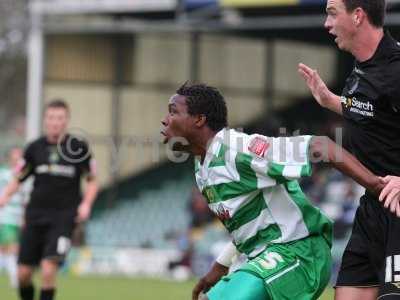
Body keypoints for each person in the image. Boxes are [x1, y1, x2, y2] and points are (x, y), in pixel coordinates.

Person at [161, 82, 384, 300]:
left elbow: (320, 146)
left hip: (298, 252)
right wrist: (220, 266)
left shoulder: (235, 149)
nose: (165, 120)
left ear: (199, 119)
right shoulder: (202, 167)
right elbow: (247, 226)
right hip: (263, 258)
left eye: (173, 112)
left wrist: (376, 185)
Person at [298, 0, 400, 298]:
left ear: (357, 16)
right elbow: (374, 110)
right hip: (372, 209)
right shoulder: (362, 68)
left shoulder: (396, 71)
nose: (326, 24)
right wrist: (332, 101)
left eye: (332, 14)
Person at [0, 99, 98, 300]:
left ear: (67, 120)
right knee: (23, 275)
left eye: (60, 118)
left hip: (63, 218)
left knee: (48, 269)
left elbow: (92, 181)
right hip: (35, 216)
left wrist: (86, 204)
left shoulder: (78, 148)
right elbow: (18, 178)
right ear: (45, 120)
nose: (56, 122)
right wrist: (3, 198)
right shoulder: (34, 148)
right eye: (52, 118)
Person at [0, 147, 28, 288]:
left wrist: (25, 216)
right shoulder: (3, 173)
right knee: (12, 248)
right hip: (6, 216)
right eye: (14, 157)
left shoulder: (25, 176)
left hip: (19, 217)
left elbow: (26, 199)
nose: (17, 160)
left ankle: (14, 277)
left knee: (6, 249)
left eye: (19, 157)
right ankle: (15, 280)